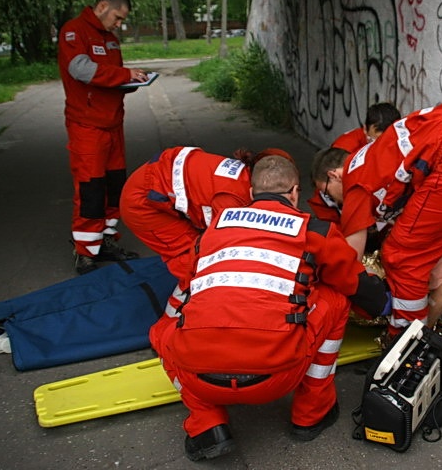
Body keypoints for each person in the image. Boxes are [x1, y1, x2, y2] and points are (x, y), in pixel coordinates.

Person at [151, 154, 390, 461]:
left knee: (162, 332)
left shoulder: (212, 231)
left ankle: (206, 422)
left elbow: (188, 284)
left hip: (199, 377)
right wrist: (386, 304)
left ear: (250, 193)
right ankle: (311, 412)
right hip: (275, 377)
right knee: (336, 299)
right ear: (293, 193)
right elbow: (358, 286)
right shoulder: (313, 230)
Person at [314, 102, 442, 342]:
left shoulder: (355, 183)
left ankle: (405, 343)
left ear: (333, 175)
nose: (329, 199)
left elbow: (349, 262)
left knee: (402, 255)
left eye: (325, 191)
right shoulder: (373, 156)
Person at [120, 146, 296, 348]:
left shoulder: (250, 177)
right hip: (143, 204)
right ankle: (166, 335)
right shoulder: (233, 200)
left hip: (158, 180)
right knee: (198, 265)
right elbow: (227, 247)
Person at [58, 0, 148, 274]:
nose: (118, 24)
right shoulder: (74, 31)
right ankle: (84, 251)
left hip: (112, 124)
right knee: (90, 190)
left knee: (113, 188)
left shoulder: (110, 39)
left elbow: (108, 78)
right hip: (88, 127)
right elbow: (82, 70)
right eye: (117, 17)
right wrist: (124, 75)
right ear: (102, 6)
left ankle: (105, 241)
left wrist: (133, 80)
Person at [307, 102, 401, 224]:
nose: (381, 147)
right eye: (376, 141)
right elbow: (329, 187)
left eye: (386, 142)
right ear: (365, 129)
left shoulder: (402, 142)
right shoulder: (345, 149)